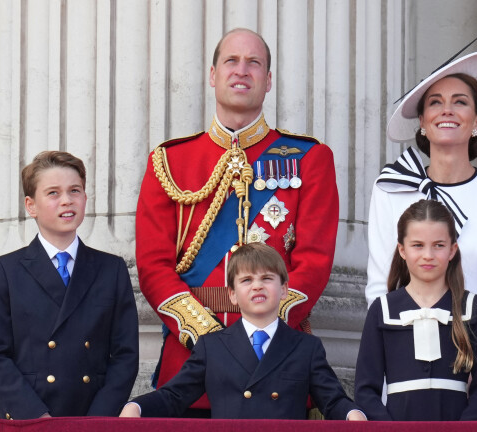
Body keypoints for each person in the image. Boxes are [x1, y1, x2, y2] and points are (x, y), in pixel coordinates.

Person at [135, 28, 339, 411]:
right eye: (231, 61)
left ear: (268, 80)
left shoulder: (311, 159)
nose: (241, 70)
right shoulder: (170, 162)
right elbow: (152, 265)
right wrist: (211, 339)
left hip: (277, 360)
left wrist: (260, 329)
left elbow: (313, 262)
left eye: (254, 63)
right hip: (191, 360)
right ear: (213, 75)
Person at [365, 47, 477, 419]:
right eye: (435, 102)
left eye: (460, 101)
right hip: (407, 375)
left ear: (476, 120)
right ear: (422, 120)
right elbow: (379, 287)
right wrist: (399, 361)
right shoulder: (391, 189)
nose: (447, 110)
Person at [120, 243, 365, 420]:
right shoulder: (212, 347)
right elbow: (174, 396)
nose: (257, 285)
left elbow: (332, 400)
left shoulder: (306, 348)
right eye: (246, 280)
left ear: (284, 290)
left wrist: (353, 414)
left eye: (267, 278)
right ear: (232, 295)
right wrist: (136, 407)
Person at [0, 151, 139, 419]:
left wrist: (97, 420)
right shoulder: (6, 270)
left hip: (91, 416)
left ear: (85, 199)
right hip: (27, 419)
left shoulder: (111, 269)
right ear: (31, 206)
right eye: (53, 193)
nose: (67, 200)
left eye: (74, 190)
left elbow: (125, 356)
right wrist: (35, 416)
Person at [356, 199, 477, 420]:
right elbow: (365, 391)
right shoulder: (382, 310)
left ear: (452, 250)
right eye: (418, 245)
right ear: (402, 250)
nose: (428, 255)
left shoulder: (473, 309)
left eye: (439, 245)